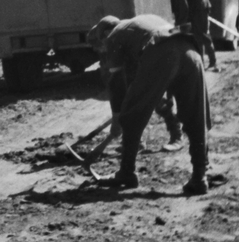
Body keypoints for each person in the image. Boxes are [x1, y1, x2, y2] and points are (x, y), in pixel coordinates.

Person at [89, 15, 211, 195]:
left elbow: (117, 83)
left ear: (106, 33)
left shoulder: (115, 35)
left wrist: (117, 119)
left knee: (130, 117)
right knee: (195, 117)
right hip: (191, 51)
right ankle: (200, 178)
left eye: (103, 47)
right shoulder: (141, 24)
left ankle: (126, 173)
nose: (105, 52)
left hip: (162, 54)